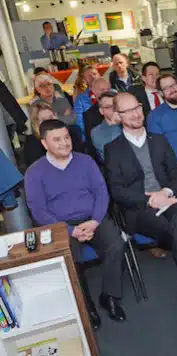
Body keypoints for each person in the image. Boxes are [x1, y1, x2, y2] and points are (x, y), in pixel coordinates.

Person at [105, 92, 177, 322]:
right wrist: (149, 199)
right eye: (128, 111)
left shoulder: (159, 140)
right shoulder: (113, 149)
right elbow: (117, 191)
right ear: (118, 116)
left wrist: (166, 193)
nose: (136, 113)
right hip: (140, 211)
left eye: (137, 107)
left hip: (169, 201)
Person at [25, 120, 127, 329]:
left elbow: (101, 192)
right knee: (71, 258)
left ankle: (110, 296)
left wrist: (95, 221)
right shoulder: (34, 173)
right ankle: (85, 304)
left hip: (92, 218)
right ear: (45, 144)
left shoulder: (86, 161)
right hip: (61, 226)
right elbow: (38, 211)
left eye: (66, 137)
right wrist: (70, 231)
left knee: (116, 244)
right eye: (57, 139)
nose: (64, 143)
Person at [24, 102, 84, 167]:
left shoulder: (71, 133)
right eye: (44, 120)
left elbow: (80, 158)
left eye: (51, 117)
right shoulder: (32, 144)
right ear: (36, 124)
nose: (49, 122)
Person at [82, 78, 112, 157]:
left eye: (108, 89)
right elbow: (91, 143)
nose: (106, 92)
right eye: (102, 90)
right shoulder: (89, 114)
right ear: (94, 92)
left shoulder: (120, 106)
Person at [90, 91, 122, 162]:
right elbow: (115, 156)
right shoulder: (96, 132)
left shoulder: (129, 122)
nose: (113, 109)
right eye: (108, 107)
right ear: (101, 111)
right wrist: (114, 125)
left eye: (115, 105)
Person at [73, 65, 101, 137]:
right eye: (89, 76)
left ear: (99, 75)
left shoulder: (111, 92)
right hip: (92, 135)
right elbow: (80, 123)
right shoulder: (80, 100)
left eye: (94, 74)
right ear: (84, 80)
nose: (93, 77)